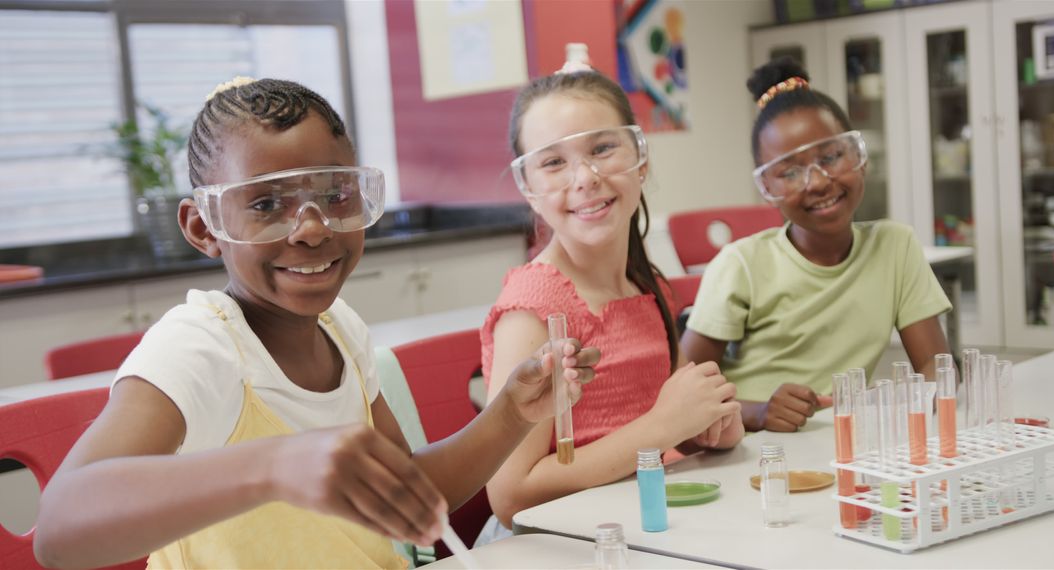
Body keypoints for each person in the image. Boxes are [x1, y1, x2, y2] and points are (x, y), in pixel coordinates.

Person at [32, 77, 599, 570]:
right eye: (264, 205)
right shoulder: (200, 347)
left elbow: (408, 492)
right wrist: (273, 465)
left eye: (336, 195)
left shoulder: (339, 328)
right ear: (203, 227)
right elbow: (60, 528)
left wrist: (510, 415)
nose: (310, 229)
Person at [480, 65, 744, 535]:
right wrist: (663, 427)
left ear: (641, 159)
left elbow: (681, 418)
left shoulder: (647, 287)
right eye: (553, 162)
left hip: (643, 523)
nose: (584, 177)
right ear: (528, 188)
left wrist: (711, 426)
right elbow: (510, 496)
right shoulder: (533, 309)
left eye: (603, 148)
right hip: (560, 544)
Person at [681, 57, 952, 433]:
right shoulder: (741, 264)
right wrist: (759, 413)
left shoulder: (895, 246)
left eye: (831, 157)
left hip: (844, 443)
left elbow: (936, 367)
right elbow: (684, 396)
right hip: (755, 450)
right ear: (767, 189)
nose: (818, 182)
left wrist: (912, 400)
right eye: (789, 172)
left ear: (859, 157)